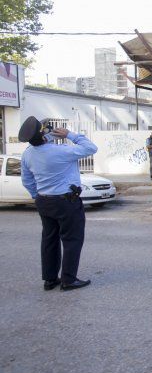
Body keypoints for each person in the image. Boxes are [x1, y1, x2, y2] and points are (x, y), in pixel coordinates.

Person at [18, 116, 98, 291]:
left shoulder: (28, 154)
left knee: (49, 239)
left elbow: (27, 180)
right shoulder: (61, 151)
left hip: (43, 201)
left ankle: (50, 279)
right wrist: (70, 134)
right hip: (66, 202)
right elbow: (91, 148)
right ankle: (68, 280)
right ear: (44, 133)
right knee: (72, 240)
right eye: (46, 129)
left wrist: (37, 196)